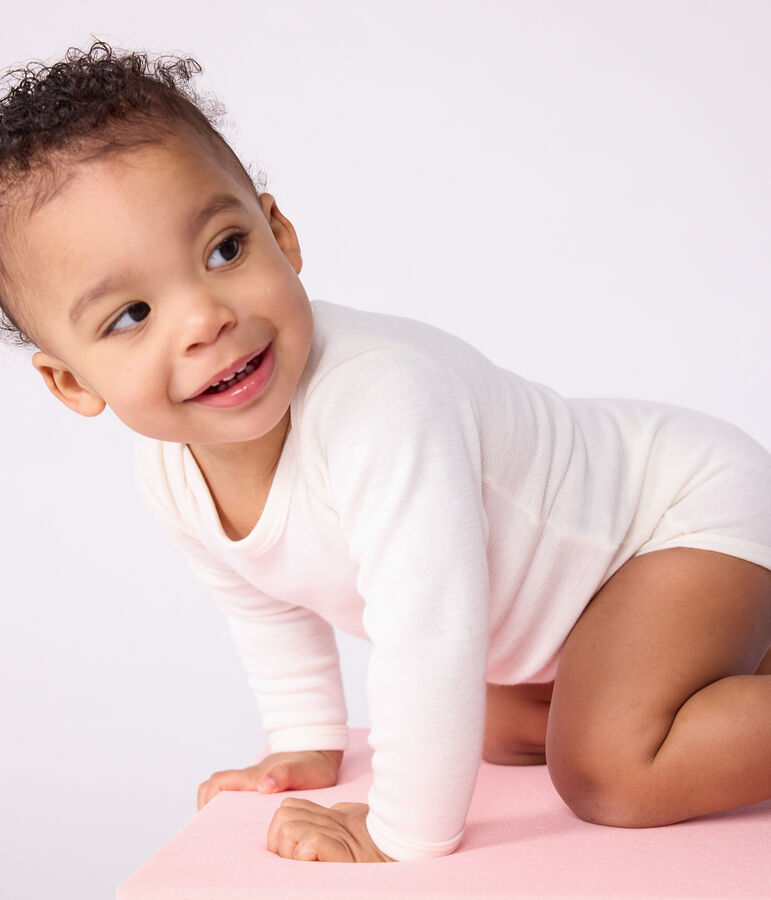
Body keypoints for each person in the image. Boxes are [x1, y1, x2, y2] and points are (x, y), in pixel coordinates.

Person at [0, 40, 769, 865]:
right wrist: (304, 738)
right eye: (131, 314)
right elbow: (263, 597)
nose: (203, 319)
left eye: (224, 250)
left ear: (280, 233)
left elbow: (428, 629)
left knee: (609, 767)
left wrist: (399, 829)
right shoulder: (172, 473)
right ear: (71, 382)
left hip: (671, 517)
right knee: (503, 730)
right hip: (580, 598)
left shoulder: (380, 403)